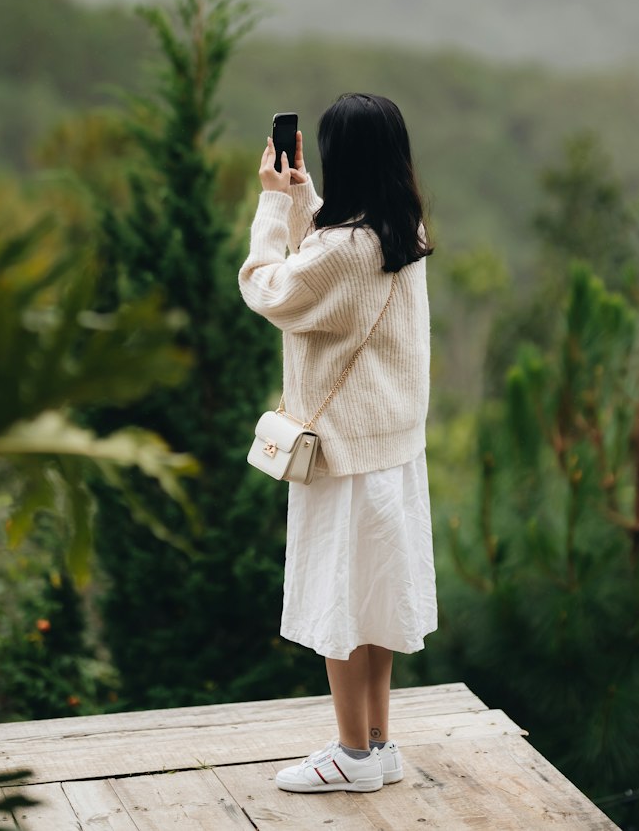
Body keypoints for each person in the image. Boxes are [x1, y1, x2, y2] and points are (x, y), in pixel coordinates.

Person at [238, 92, 437, 794]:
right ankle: (377, 744)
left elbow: (269, 288)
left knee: (341, 606)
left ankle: (351, 754)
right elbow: (331, 239)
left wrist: (269, 206)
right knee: (375, 605)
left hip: (344, 458)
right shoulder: (399, 228)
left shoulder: (346, 251)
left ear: (340, 156)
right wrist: (301, 197)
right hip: (391, 455)